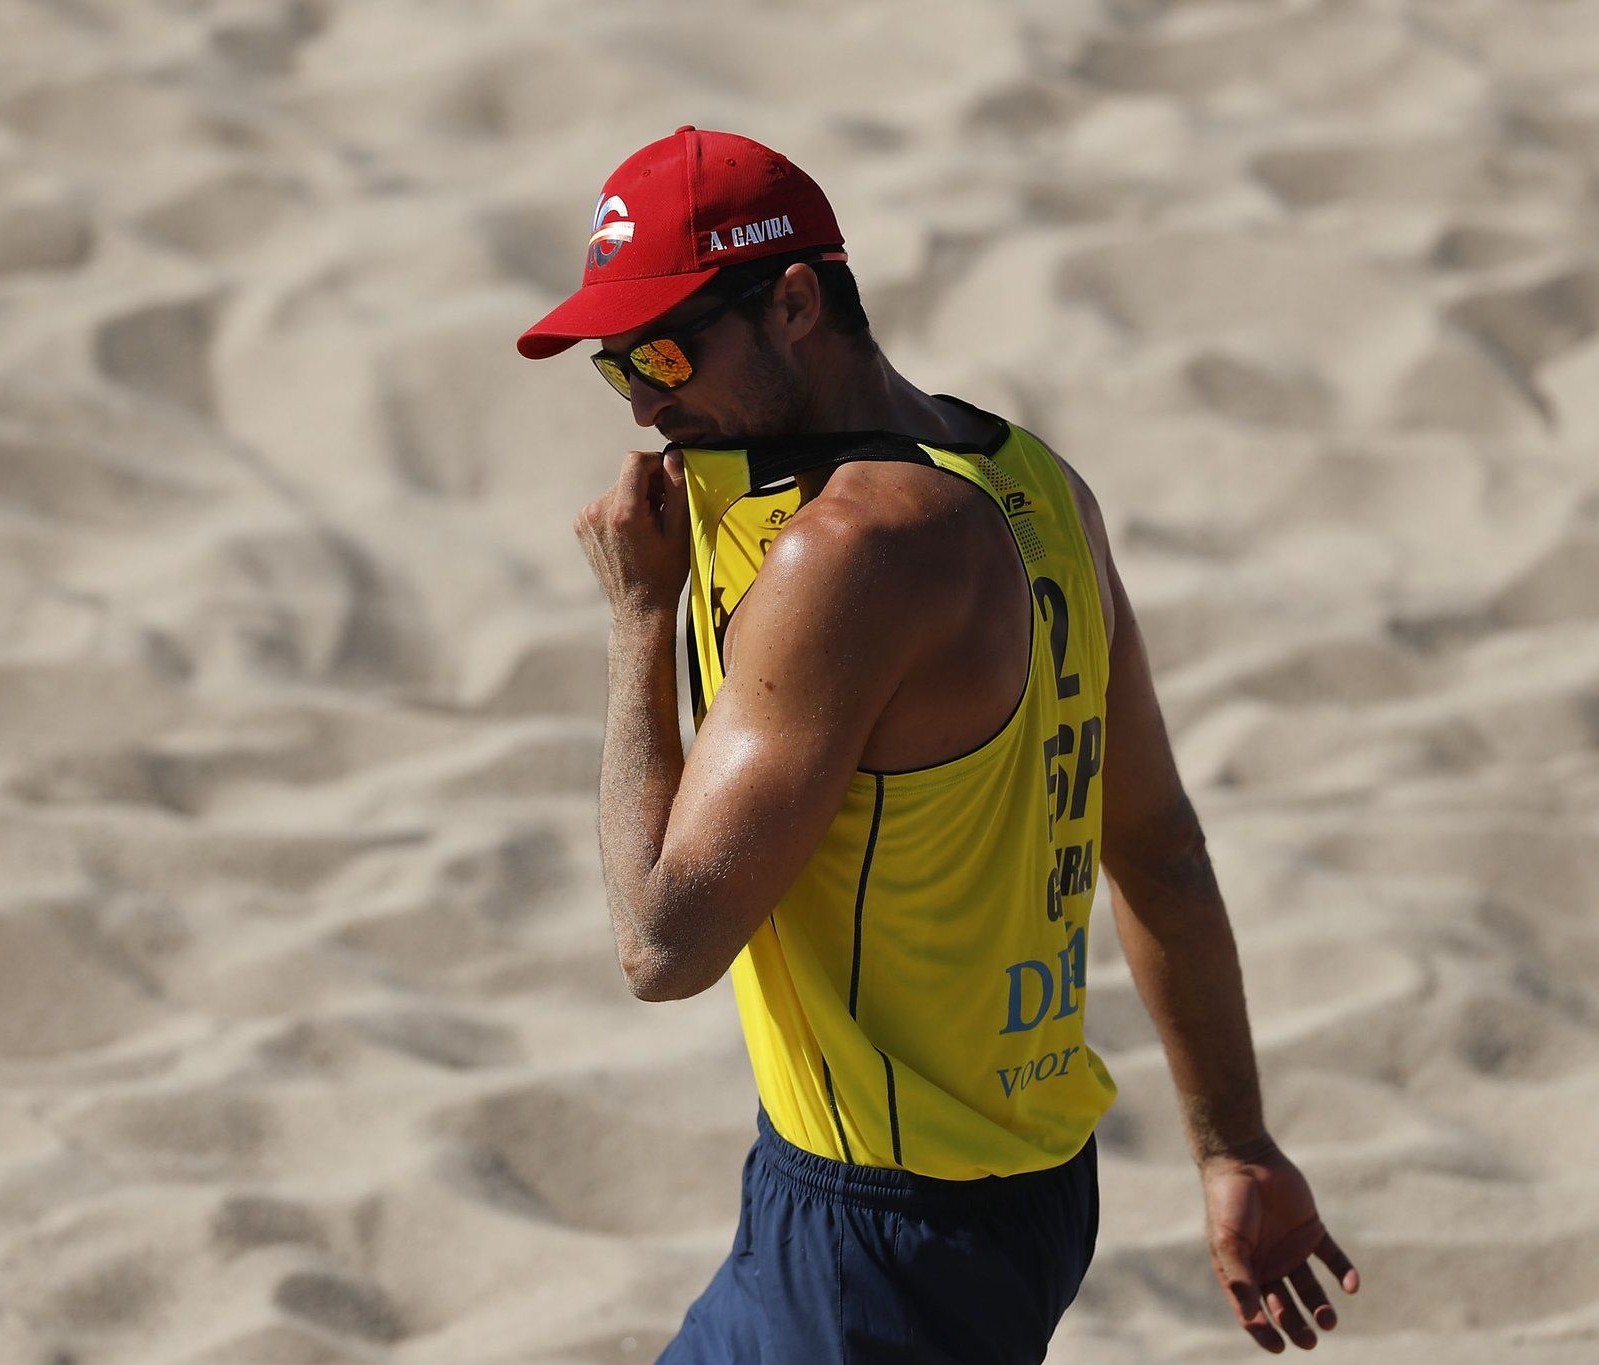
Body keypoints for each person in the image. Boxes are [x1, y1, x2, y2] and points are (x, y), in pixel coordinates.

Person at [516, 126, 1361, 1362]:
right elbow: (1161, 847)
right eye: (614, 369)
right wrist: (1234, 1146)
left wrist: (639, 623)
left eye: (663, 350)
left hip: (871, 1232)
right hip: (1026, 1191)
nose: (645, 401)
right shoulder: (1035, 483)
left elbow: (660, 942)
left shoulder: (848, 553)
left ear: (794, 301)